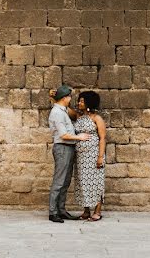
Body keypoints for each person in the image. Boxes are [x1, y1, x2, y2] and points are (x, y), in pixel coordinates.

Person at [47, 85, 90, 223]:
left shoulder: (63, 109)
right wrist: (80, 137)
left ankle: (61, 210)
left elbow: (73, 114)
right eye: (69, 97)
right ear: (65, 98)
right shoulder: (57, 113)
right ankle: (53, 212)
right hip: (63, 147)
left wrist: (54, 96)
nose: (71, 99)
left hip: (69, 148)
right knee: (59, 181)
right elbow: (64, 135)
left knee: (65, 182)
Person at [73, 90, 107, 221]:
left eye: (82, 101)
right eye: (79, 101)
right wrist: (53, 99)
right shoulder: (78, 117)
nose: (79, 103)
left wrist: (100, 157)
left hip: (93, 156)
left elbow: (102, 138)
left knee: (96, 182)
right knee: (83, 182)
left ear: (89, 103)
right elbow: (64, 108)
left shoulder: (96, 118)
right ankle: (86, 210)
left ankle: (97, 211)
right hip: (81, 157)